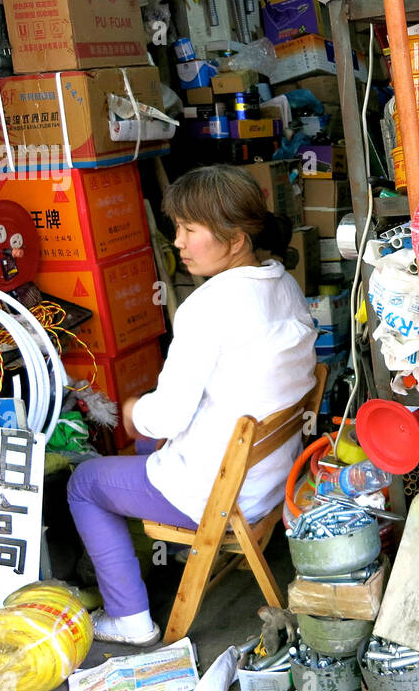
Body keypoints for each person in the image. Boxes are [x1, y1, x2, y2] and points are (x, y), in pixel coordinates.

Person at [67, 165, 317, 645]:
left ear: (236, 238)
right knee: (146, 450)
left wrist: (132, 410)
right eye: (177, 228)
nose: (178, 243)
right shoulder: (281, 282)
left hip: (224, 494)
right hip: (268, 483)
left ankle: (129, 618)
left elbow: (165, 417)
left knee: (84, 484)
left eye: (189, 230)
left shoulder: (208, 306)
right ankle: (159, 557)